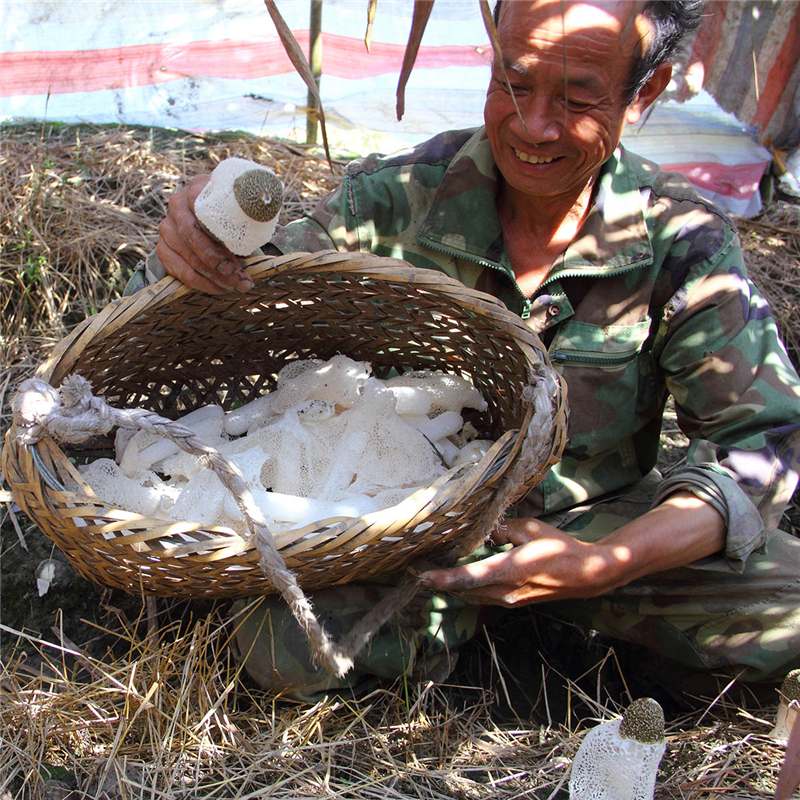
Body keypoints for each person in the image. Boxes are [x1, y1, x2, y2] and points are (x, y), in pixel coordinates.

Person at [132, 0, 800, 698]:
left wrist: (606, 563)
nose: (534, 126)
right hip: (402, 532)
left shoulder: (682, 241)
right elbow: (245, 297)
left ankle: (595, 644)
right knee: (282, 645)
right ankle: (457, 657)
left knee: (788, 607)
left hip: (593, 529)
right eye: (514, 82)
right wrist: (200, 239)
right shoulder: (393, 203)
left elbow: (761, 448)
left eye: (577, 100)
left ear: (645, 95)